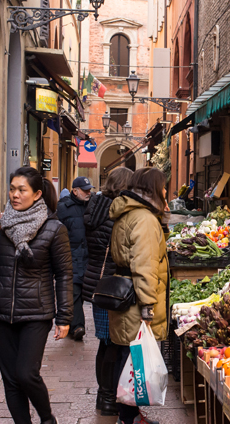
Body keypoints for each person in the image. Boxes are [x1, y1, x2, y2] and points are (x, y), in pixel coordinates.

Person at [0, 167, 73, 424]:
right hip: (0, 310)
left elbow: (64, 274)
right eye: (12, 189)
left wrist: (65, 316)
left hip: (36, 312)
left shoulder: (54, 228)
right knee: (10, 379)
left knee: (26, 373)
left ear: (37, 193)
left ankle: (47, 418)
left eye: (22, 190)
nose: (15, 195)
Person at [106, 167, 170, 424]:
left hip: (126, 298)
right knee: (133, 361)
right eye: (163, 187)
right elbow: (144, 267)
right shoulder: (144, 219)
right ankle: (129, 418)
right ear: (154, 188)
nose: (166, 191)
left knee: (128, 358)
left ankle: (130, 415)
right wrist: (148, 307)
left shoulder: (130, 213)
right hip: (135, 301)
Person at [81, 167, 133, 415]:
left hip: (96, 284)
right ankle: (108, 398)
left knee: (105, 343)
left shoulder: (96, 206)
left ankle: (105, 397)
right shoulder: (116, 213)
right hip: (112, 285)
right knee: (112, 344)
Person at [56, 176, 94, 341]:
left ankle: (74, 325)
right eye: (85, 190)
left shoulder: (92, 206)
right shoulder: (64, 208)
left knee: (86, 291)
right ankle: (78, 326)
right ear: (75, 190)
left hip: (89, 257)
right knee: (74, 292)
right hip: (71, 256)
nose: (88, 193)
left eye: (89, 190)